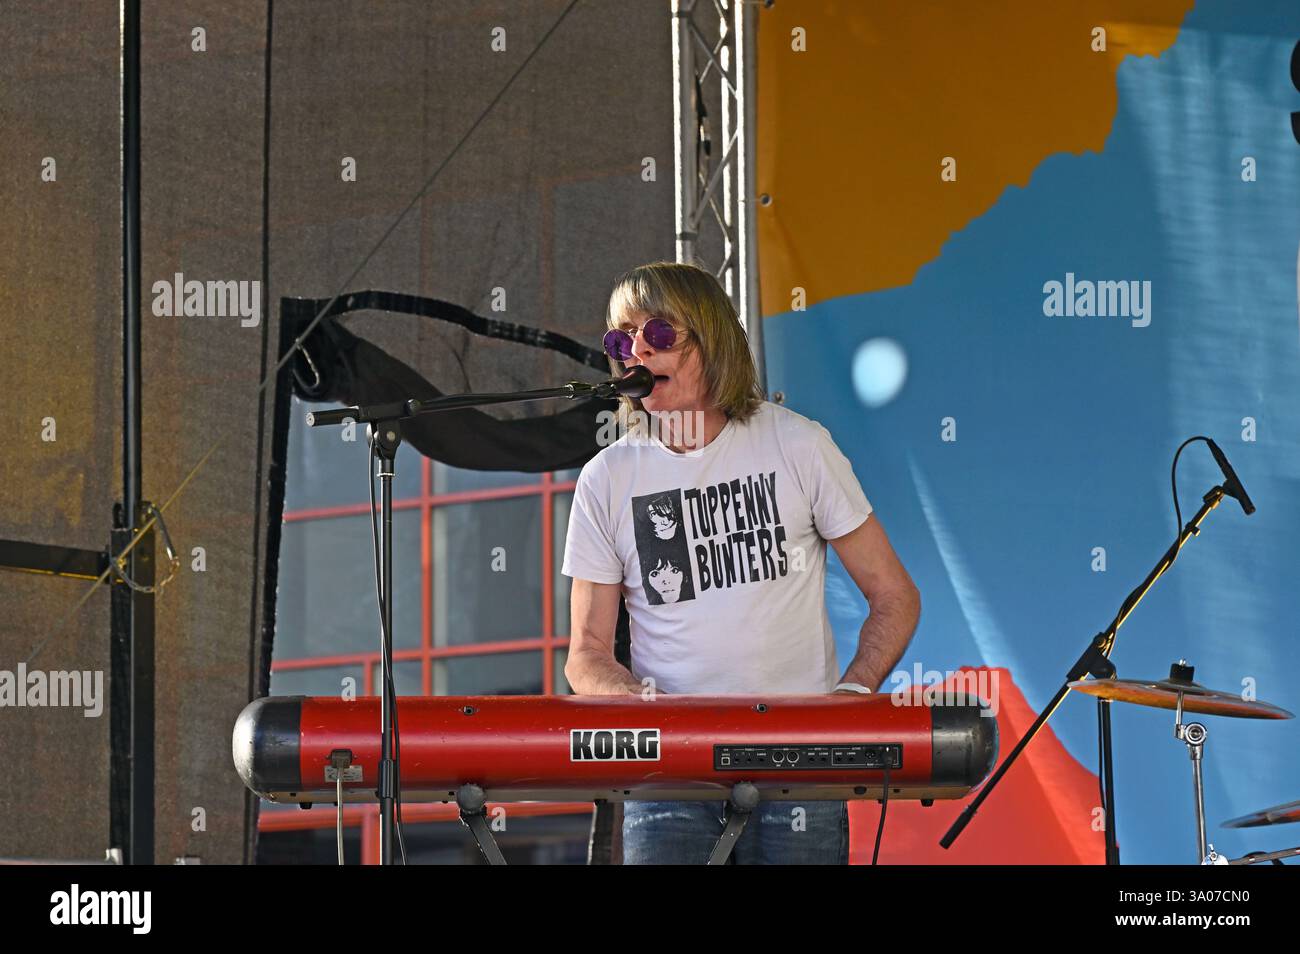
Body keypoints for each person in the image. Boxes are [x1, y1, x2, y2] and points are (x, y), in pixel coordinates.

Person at [561, 261, 920, 864]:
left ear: (713, 338)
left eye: (660, 334)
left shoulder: (798, 444)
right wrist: (651, 714)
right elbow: (586, 655)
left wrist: (853, 695)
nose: (637, 353)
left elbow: (894, 595)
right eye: (623, 340)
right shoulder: (606, 479)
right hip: (670, 769)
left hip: (798, 761)